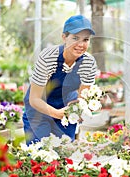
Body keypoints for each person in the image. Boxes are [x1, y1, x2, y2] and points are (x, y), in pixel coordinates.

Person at [22, 15, 97, 145]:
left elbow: (82, 97)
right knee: (39, 154)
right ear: (64, 37)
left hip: (65, 107)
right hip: (38, 110)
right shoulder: (48, 57)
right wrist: (57, 113)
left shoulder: (88, 63)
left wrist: (77, 109)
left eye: (86, 39)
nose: (81, 44)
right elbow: (34, 99)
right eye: (75, 38)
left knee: (64, 153)